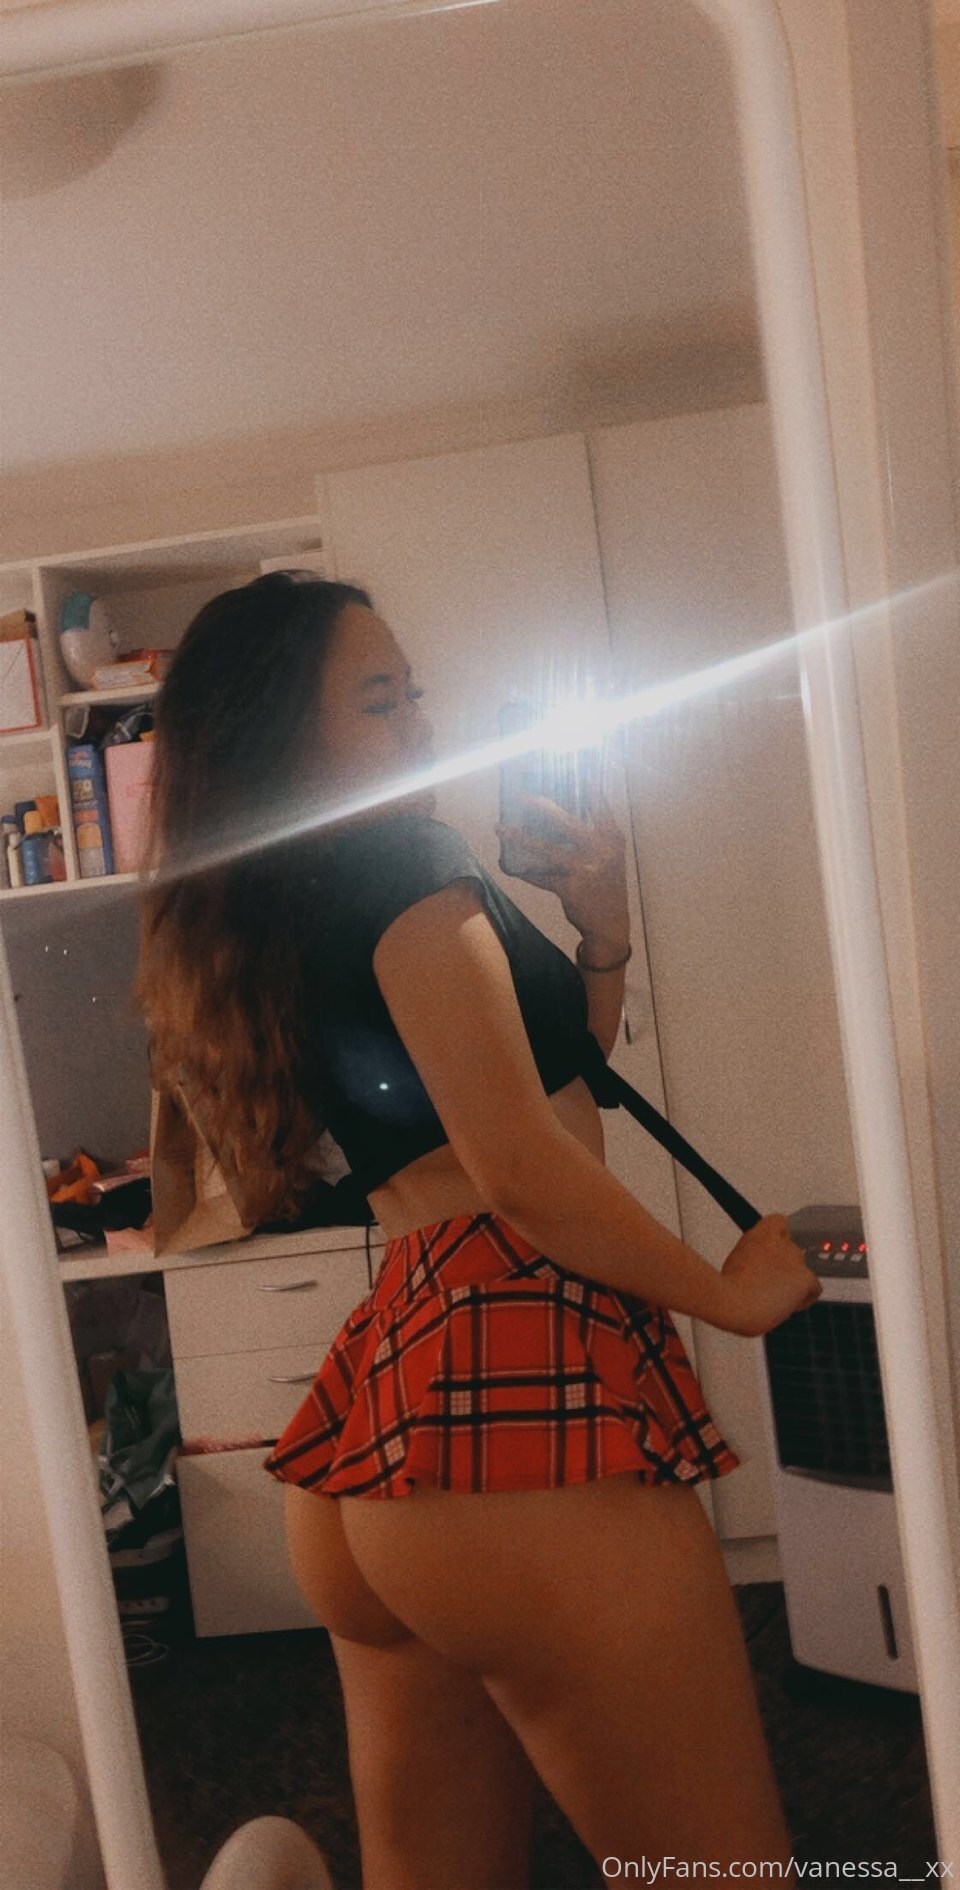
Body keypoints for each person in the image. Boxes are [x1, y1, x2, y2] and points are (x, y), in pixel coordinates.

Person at [135, 570, 822, 1890]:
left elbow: (537, 1097)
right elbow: (523, 1170)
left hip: (389, 1417)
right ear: (286, 741)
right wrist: (727, 1295)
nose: (422, 726)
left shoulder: (269, 910)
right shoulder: (405, 860)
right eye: (380, 701)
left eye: (417, 695)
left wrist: (601, 933)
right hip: (516, 1383)